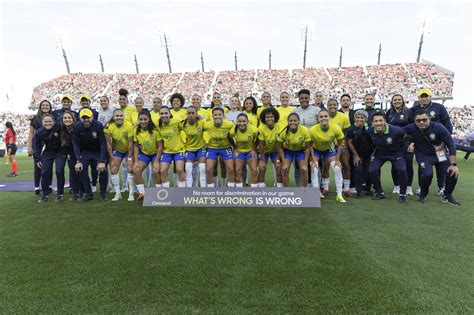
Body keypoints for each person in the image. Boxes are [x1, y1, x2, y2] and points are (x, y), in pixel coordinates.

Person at [404, 110, 461, 205]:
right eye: (418, 120)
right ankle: (423, 194)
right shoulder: (411, 128)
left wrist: (453, 164)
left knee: (453, 171)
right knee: (427, 174)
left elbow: (451, 144)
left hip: (440, 153)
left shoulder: (439, 127)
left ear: (429, 119)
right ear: (414, 121)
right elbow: (397, 131)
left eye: (424, 119)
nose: (421, 122)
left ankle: (448, 196)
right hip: (423, 155)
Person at [411, 89, 453, 197]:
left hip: (439, 145)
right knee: (423, 166)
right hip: (422, 145)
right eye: (422, 96)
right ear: (418, 98)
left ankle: (441, 187)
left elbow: (447, 124)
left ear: (430, 97)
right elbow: (410, 127)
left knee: (442, 165)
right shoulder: (414, 109)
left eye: (426, 96)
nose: (424, 98)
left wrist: (444, 141)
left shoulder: (439, 107)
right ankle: (422, 186)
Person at [368, 112, 408, 203]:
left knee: (402, 170)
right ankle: (379, 192)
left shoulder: (396, 130)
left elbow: (406, 137)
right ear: (372, 123)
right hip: (380, 154)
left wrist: (405, 149)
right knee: (372, 170)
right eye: (376, 121)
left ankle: (402, 195)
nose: (378, 123)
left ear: (385, 121)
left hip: (396, 153)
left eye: (380, 120)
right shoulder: (369, 131)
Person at [309, 110, 346, 202]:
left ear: (329, 117)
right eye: (321, 117)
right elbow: (309, 145)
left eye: (325, 116)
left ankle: (339, 194)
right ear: (318, 119)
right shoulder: (312, 129)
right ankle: (315, 193)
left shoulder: (335, 128)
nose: (323, 118)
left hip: (328, 149)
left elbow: (341, 143)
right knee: (314, 168)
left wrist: (337, 159)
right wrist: (313, 160)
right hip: (316, 149)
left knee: (337, 168)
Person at [72, 108, 108, 202]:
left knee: (103, 169)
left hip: (98, 151)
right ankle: (87, 193)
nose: (86, 120)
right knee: (79, 169)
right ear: (80, 119)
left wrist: (102, 161)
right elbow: (76, 144)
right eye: (83, 118)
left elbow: (103, 144)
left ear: (92, 117)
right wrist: (78, 160)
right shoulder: (77, 126)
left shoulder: (98, 125)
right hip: (86, 152)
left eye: (88, 117)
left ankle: (103, 194)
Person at [385, 94, 414, 195]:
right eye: (395, 100)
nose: (397, 101)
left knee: (408, 164)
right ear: (392, 102)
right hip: (394, 143)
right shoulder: (389, 112)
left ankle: (408, 187)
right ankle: (396, 185)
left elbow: (415, 128)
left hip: (407, 142)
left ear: (403, 101)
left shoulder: (409, 112)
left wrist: (412, 143)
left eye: (399, 99)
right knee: (395, 164)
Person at [104, 109, 135, 201]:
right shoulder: (108, 127)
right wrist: (112, 157)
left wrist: (129, 157)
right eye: (117, 116)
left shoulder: (129, 125)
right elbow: (109, 144)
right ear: (113, 117)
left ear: (124, 116)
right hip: (117, 150)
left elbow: (130, 143)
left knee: (130, 168)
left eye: (121, 116)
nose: (119, 117)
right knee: (113, 169)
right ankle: (118, 193)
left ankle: (131, 193)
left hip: (128, 149)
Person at [293, 89, 320, 186]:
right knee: (299, 167)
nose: (304, 100)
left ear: (309, 98)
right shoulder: (295, 111)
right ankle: (300, 187)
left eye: (306, 98)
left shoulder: (316, 110)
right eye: (301, 98)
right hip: (299, 145)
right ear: (299, 99)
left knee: (314, 165)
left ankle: (316, 187)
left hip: (314, 144)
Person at [204, 107, 235, 187]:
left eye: (219, 115)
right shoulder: (207, 125)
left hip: (226, 148)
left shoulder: (229, 124)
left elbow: (234, 134)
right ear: (212, 116)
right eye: (215, 115)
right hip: (212, 148)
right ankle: (212, 190)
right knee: (209, 169)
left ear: (223, 116)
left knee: (231, 169)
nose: (217, 116)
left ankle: (227, 189)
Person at [132, 110, 161, 200]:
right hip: (145, 154)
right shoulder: (136, 130)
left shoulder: (155, 130)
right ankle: (142, 194)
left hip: (155, 154)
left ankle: (159, 193)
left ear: (149, 119)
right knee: (136, 170)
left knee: (155, 171)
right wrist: (136, 161)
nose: (143, 121)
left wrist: (156, 161)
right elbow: (136, 146)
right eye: (141, 119)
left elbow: (160, 146)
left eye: (145, 119)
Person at [346, 110, 374, 197]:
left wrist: (373, 154)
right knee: (358, 169)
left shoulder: (369, 128)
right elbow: (349, 143)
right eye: (357, 117)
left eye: (362, 118)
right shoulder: (351, 129)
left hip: (369, 154)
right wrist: (356, 155)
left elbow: (373, 141)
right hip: (358, 154)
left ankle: (368, 189)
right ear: (354, 118)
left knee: (370, 170)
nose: (359, 119)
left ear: (365, 119)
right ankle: (359, 190)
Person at [33, 114, 61, 202]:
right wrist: (37, 159)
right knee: (44, 172)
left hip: (60, 152)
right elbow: (37, 147)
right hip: (48, 152)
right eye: (45, 121)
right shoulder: (39, 132)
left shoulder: (59, 127)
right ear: (42, 122)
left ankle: (60, 194)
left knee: (59, 171)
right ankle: (45, 194)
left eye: (50, 121)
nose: (48, 123)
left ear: (54, 122)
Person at [278, 112, 311, 187]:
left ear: (299, 121)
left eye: (295, 121)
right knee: (285, 169)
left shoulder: (305, 130)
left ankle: (305, 190)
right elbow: (279, 148)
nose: (293, 122)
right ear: (288, 122)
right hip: (288, 151)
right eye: (291, 121)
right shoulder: (283, 132)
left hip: (300, 151)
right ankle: (286, 191)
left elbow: (308, 148)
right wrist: (283, 162)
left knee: (304, 169)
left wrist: (305, 163)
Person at [156, 106, 186, 188]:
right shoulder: (158, 125)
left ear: (170, 114)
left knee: (180, 170)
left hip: (179, 150)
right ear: (159, 115)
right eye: (161, 113)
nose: (164, 115)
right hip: (167, 152)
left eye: (166, 113)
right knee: (162, 170)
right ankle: (167, 191)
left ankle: (182, 191)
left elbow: (186, 125)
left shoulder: (176, 121)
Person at [327, 98, 352, 196]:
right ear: (327, 106)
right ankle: (325, 188)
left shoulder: (344, 117)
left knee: (346, 165)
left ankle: (346, 188)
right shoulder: (324, 116)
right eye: (330, 105)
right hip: (328, 146)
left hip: (341, 145)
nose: (332, 106)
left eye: (334, 105)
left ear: (337, 106)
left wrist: (343, 144)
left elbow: (346, 132)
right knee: (326, 166)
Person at [28, 99, 53, 194]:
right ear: (40, 107)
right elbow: (31, 133)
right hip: (37, 145)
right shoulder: (35, 118)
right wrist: (29, 146)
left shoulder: (52, 117)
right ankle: (37, 188)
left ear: (50, 107)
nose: (45, 107)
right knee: (37, 166)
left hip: (49, 145)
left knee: (49, 167)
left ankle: (49, 186)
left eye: (47, 105)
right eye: (43, 105)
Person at [180, 106, 207, 187]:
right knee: (188, 169)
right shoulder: (182, 125)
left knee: (202, 168)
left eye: (193, 113)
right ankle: (189, 190)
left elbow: (211, 126)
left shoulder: (202, 123)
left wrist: (203, 117)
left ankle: (203, 190)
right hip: (189, 149)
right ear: (186, 114)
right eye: (189, 113)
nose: (191, 115)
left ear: (196, 114)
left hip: (201, 148)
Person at [258, 107, 283, 187]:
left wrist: (279, 158)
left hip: (275, 152)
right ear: (264, 118)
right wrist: (262, 160)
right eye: (267, 117)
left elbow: (281, 145)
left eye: (271, 117)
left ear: (275, 117)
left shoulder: (280, 127)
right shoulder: (261, 128)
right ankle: (261, 188)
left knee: (279, 167)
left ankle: (280, 189)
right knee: (262, 168)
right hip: (264, 152)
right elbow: (261, 146)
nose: (270, 119)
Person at [58, 112, 80, 201]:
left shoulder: (77, 128)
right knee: (72, 172)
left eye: (69, 118)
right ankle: (75, 192)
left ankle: (82, 191)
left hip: (79, 153)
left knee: (79, 172)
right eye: (65, 118)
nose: (67, 119)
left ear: (73, 119)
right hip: (69, 153)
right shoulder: (61, 129)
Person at [234, 113, 258, 187]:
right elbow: (229, 138)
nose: (241, 123)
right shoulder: (233, 131)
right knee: (238, 171)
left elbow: (258, 139)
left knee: (254, 170)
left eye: (244, 121)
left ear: (247, 121)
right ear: (237, 122)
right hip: (240, 152)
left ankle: (254, 192)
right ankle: (240, 192)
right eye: (239, 121)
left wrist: (253, 149)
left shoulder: (254, 130)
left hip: (250, 152)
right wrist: (235, 148)